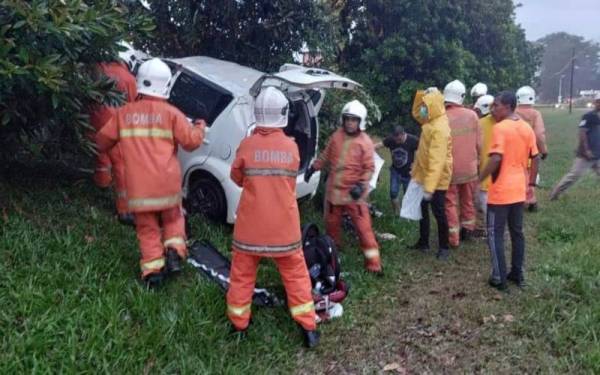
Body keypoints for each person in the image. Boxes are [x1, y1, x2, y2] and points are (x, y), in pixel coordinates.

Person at [96, 58, 206, 288]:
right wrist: (199, 127)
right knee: (174, 218)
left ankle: (153, 274)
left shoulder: (124, 114)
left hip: (139, 189)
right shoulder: (172, 114)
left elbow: (102, 141)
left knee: (147, 230)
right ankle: (175, 250)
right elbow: (191, 142)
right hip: (168, 184)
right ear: (165, 85)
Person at [227, 87, 319, 348]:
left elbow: (236, 178)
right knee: (296, 275)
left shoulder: (246, 145)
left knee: (242, 275)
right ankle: (308, 327)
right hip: (284, 230)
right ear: (283, 115)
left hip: (249, 229)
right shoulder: (291, 148)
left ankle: (238, 325)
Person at [305, 100, 382, 273]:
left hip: (355, 193)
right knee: (331, 226)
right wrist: (313, 167)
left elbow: (370, 168)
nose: (349, 123)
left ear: (360, 121)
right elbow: (325, 156)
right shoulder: (336, 136)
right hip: (334, 192)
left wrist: (361, 186)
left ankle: (374, 264)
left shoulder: (365, 142)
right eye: (347, 119)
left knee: (364, 229)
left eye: (353, 120)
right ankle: (333, 254)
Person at [480, 91, 539, 291]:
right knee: (517, 233)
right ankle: (517, 273)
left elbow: (496, 158)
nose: (493, 109)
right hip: (519, 190)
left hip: (500, 192)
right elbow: (536, 157)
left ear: (507, 106)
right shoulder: (526, 128)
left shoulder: (500, 128)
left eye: (496, 105)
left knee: (494, 234)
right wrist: (531, 185)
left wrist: (479, 178)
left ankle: (498, 277)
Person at [90, 58, 138, 224]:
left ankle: (101, 182)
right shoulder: (130, 79)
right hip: (112, 125)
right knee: (120, 165)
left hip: (92, 120)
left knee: (100, 154)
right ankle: (124, 211)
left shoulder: (98, 67)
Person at [410, 88, 453, 260]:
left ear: (433, 106)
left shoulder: (440, 129)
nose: (422, 109)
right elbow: (416, 113)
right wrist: (422, 94)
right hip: (425, 174)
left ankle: (444, 247)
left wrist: (430, 187)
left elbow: (437, 161)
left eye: (425, 106)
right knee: (422, 209)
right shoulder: (430, 119)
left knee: (439, 211)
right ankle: (423, 242)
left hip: (438, 178)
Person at [443, 80, 482, 247]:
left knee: (450, 202)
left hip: (449, 169)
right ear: (462, 97)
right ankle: (468, 228)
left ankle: (453, 238)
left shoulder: (441, 117)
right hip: (470, 169)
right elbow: (480, 144)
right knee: (467, 200)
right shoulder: (472, 115)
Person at [550, 93, 600, 200]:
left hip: (597, 154)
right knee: (573, 176)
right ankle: (554, 193)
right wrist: (586, 150)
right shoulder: (588, 116)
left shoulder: (597, 117)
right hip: (586, 155)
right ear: (596, 102)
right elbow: (582, 133)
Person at [516, 85, 548, 212]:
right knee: (529, 175)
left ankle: (518, 199)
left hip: (514, 149)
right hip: (530, 150)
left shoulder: (513, 112)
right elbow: (539, 134)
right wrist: (544, 150)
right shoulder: (535, 114)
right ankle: (530, 200)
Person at [374, 126, 419, 213]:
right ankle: (397, 214)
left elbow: (423, 150)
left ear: (403, 134)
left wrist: (416, 165)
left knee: (408, 195)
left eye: (398, 140)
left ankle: (407, 214)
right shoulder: (391, 139)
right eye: (395, 139)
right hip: (395, 171)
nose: (396, 142)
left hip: (409, 173)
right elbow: (378, 145)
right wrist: (366, 148)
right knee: (393, 193)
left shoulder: (413, 140)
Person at [474, 95, 496, 219]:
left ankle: (493, 235)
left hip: (485, 175)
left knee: (490, 214)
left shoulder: (479, 124)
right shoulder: (505, 121)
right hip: (503, 178)